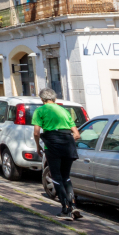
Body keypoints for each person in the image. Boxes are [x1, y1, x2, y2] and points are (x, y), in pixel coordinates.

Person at [32, 87, 82, 219]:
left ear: (42, 99)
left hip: (53, 144)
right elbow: (77, 134)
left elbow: (36, 133)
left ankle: (65, 209)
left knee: (56, 177)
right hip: (68, 143)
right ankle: (74, 205)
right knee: (66, 176)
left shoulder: (40, 110)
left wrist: (38, 147)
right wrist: (66, 140)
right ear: (55, 99)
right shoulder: (64, 111)